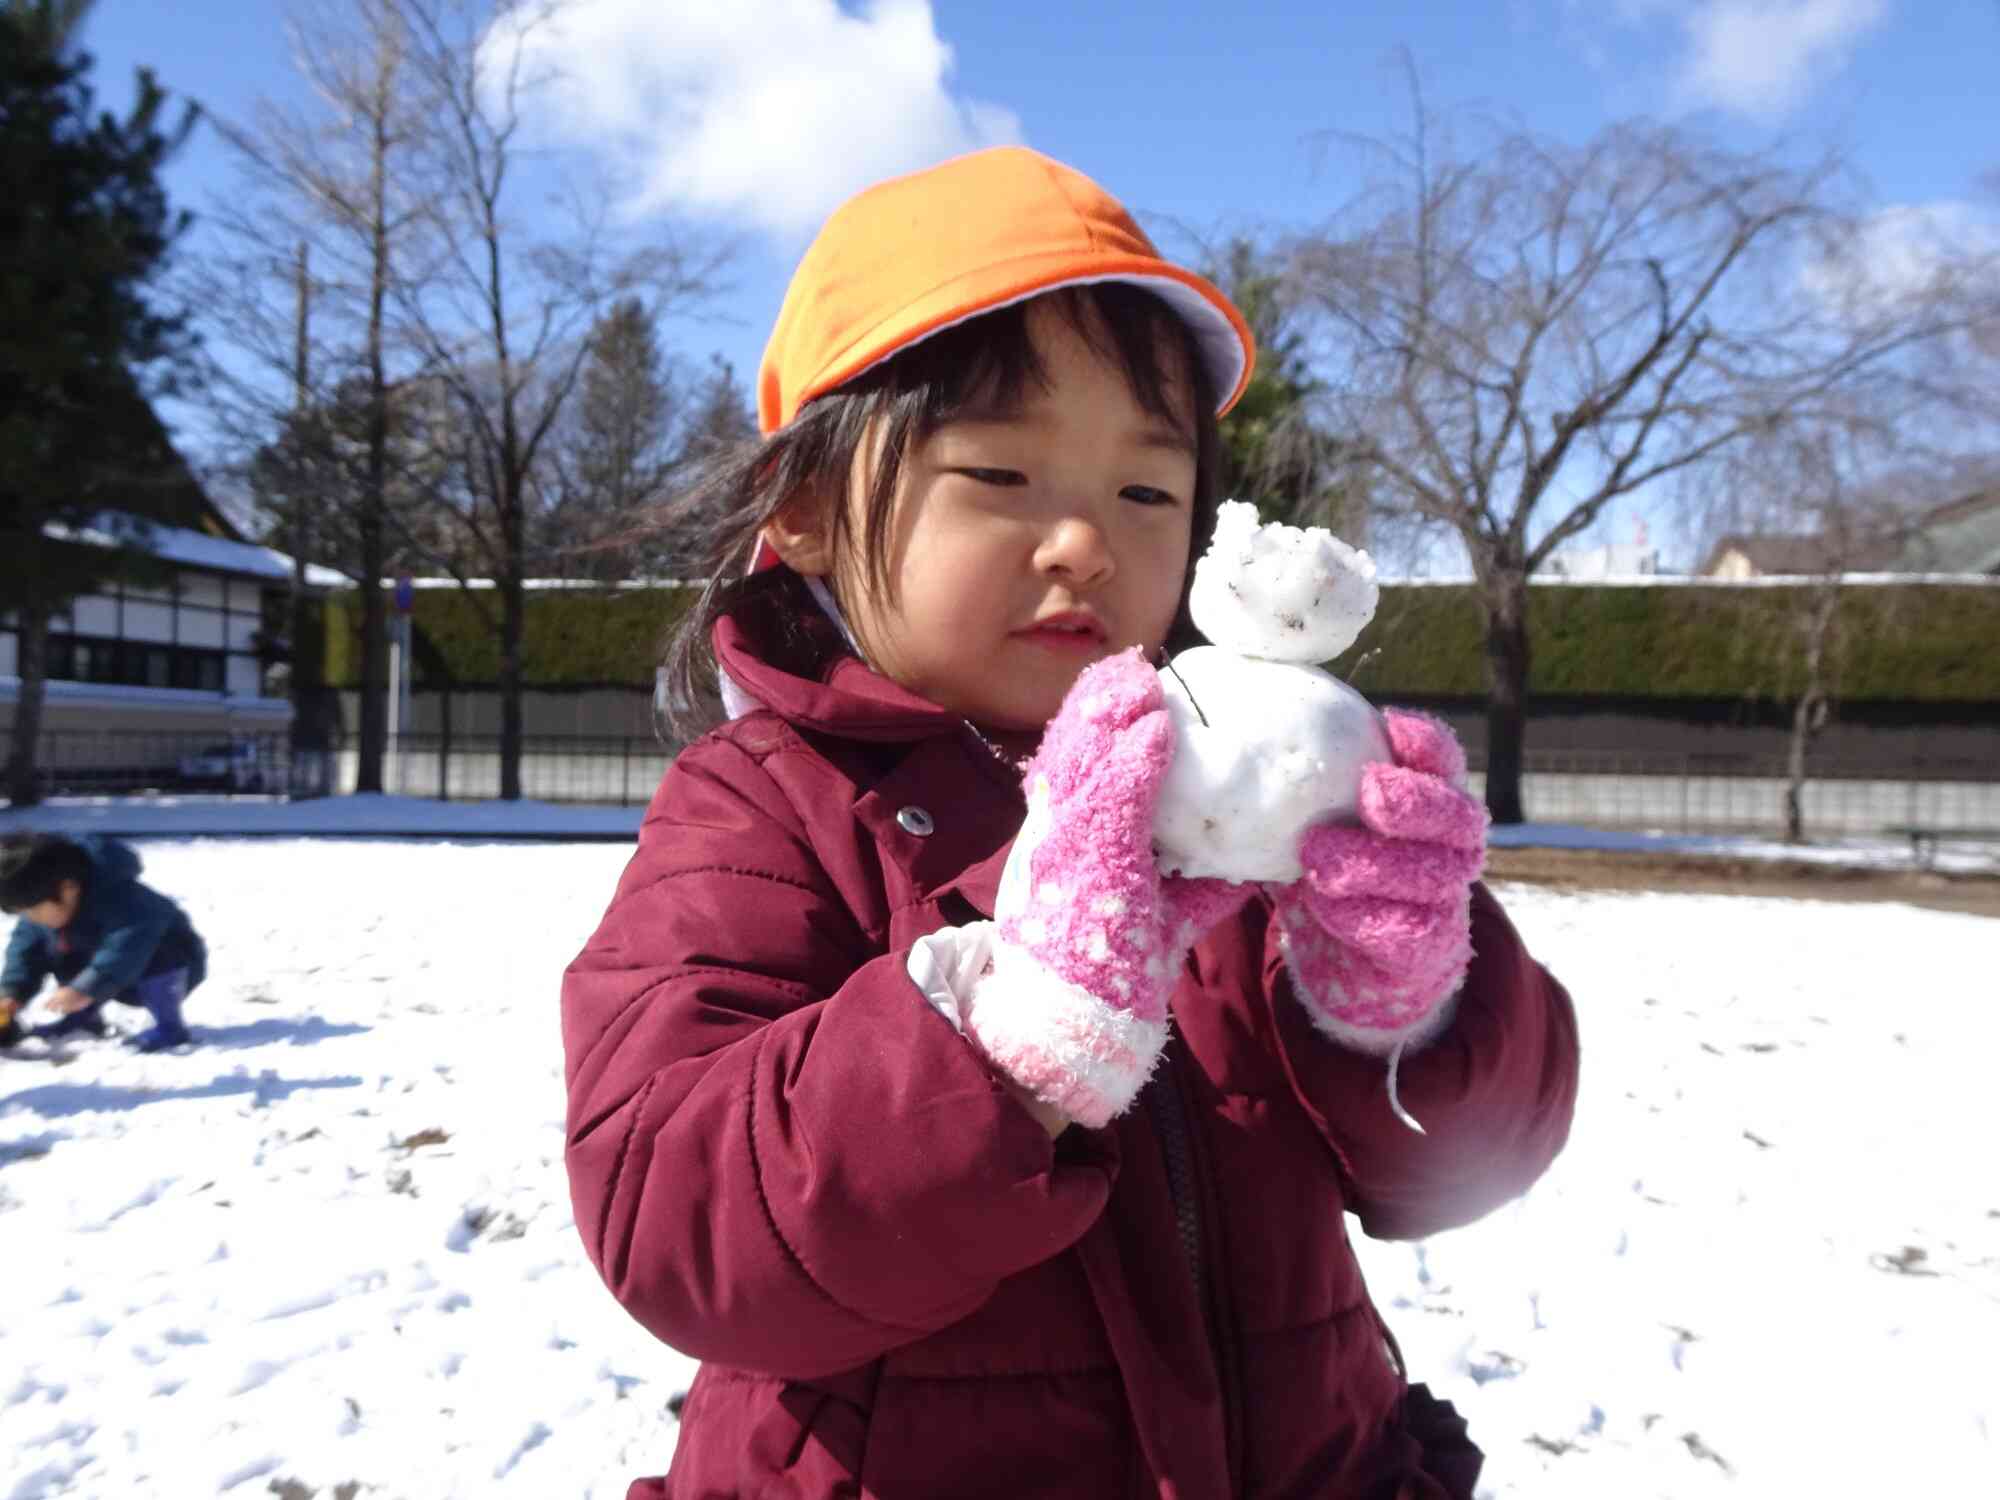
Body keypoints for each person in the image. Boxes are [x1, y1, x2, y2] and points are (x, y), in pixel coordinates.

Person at [563, 146, 1579, 1500]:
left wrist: (1402, 1001)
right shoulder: (762, 808)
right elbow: (678, 1224)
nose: (1086, 544)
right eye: (999, 474)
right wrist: (1010, 1031)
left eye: (1147, 491)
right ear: (805, 513)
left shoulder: (1248, 805)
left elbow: (1457, 1174)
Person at [0, 832, 205, 1052]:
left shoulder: (124, 899)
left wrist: (87, 987)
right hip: (104, 976)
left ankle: (170, 1028)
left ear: (68, 889)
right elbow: (25, 953)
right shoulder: (42, 914)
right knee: (61, 949)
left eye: (32, 910)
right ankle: (82, 1020)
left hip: (168, 969)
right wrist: (12, 993)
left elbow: (129, 946)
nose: (30, 918)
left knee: (158, 949)